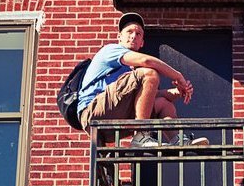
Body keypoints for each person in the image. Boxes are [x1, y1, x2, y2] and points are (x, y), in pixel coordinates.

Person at [77, 12, 208, 147]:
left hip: (112, 122)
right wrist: (178, 76)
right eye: (129, 32)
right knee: (149, 73)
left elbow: (148, 98)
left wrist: (178, 92)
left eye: (138, 34)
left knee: (163, 103)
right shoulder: (110, 50)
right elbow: (146, 61)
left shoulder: (130, 71)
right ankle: (141, 135)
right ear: (119, 37)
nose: (133, 36)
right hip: (92, 113)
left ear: (142, 43)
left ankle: (178, 141)